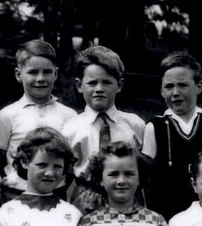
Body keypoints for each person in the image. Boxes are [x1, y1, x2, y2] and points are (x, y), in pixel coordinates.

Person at [141, 52, 202, 221]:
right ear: (161, 90)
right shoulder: (154, 127)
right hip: (165, 213)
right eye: (169, 86)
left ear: (198, 87)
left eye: (183, 85)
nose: (175, 92)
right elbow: (147, 179)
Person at [62, 45, 145, 216]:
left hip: (127, 197)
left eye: (106, 82)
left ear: (119, 85)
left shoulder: (135, 125)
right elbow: (64, 174)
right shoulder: (71, 128)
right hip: (85, 198)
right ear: (79, 85)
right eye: (92, 83)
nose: (99, 88)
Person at [0, 39, 76, 203]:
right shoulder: (7, 115)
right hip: (15, 193)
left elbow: (70, 159)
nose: (40, 78)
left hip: (56, 194)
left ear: (55, 74)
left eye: (46, 72)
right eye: (33, 72)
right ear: (19, 75)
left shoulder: (69, 115)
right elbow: (0, 157)